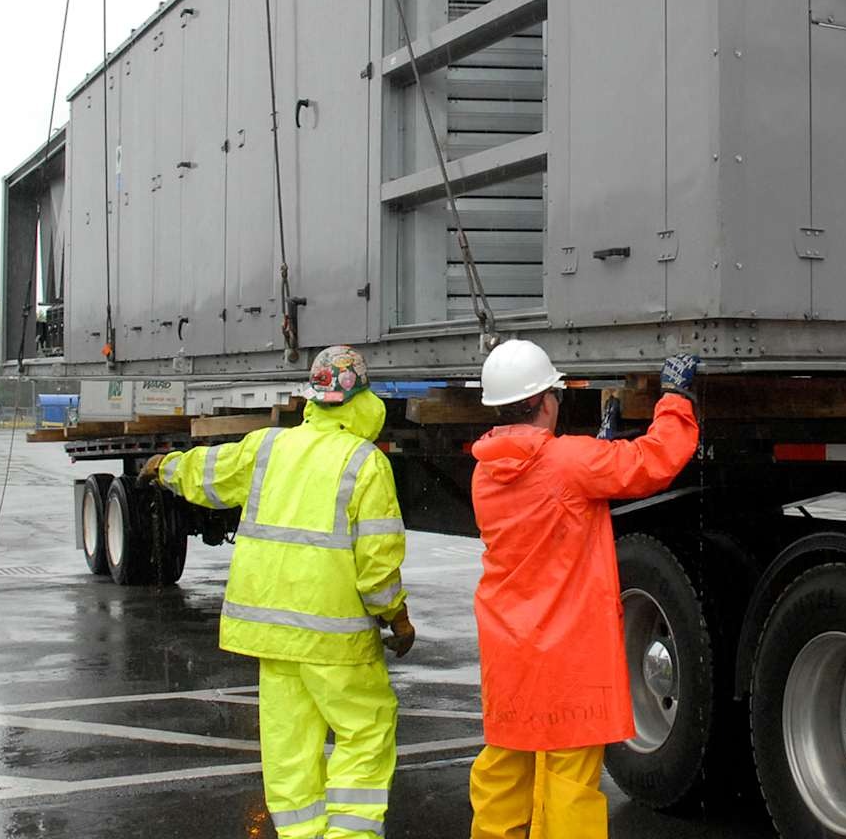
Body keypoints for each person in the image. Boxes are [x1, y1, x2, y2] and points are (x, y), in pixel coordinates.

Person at [141, 345, 414, 839]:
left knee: (289, 747)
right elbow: (378, 562)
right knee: (366, 731)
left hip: (273, 637)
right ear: (364, 399)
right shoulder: (364, 462)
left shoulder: (269, 448)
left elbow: (209, 471)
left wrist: (165, 467)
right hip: (336, 639)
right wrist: (396, 617)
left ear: (312, 397)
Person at [466, 340, 701, 838]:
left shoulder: (484, 471)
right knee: (569, 788)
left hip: (509, 656)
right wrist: (676, 399)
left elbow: (548, 484)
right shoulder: (571, 462)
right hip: (568, 659)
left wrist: (597, 448)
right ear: (545, 401)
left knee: (503, 778)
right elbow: (655, 460)